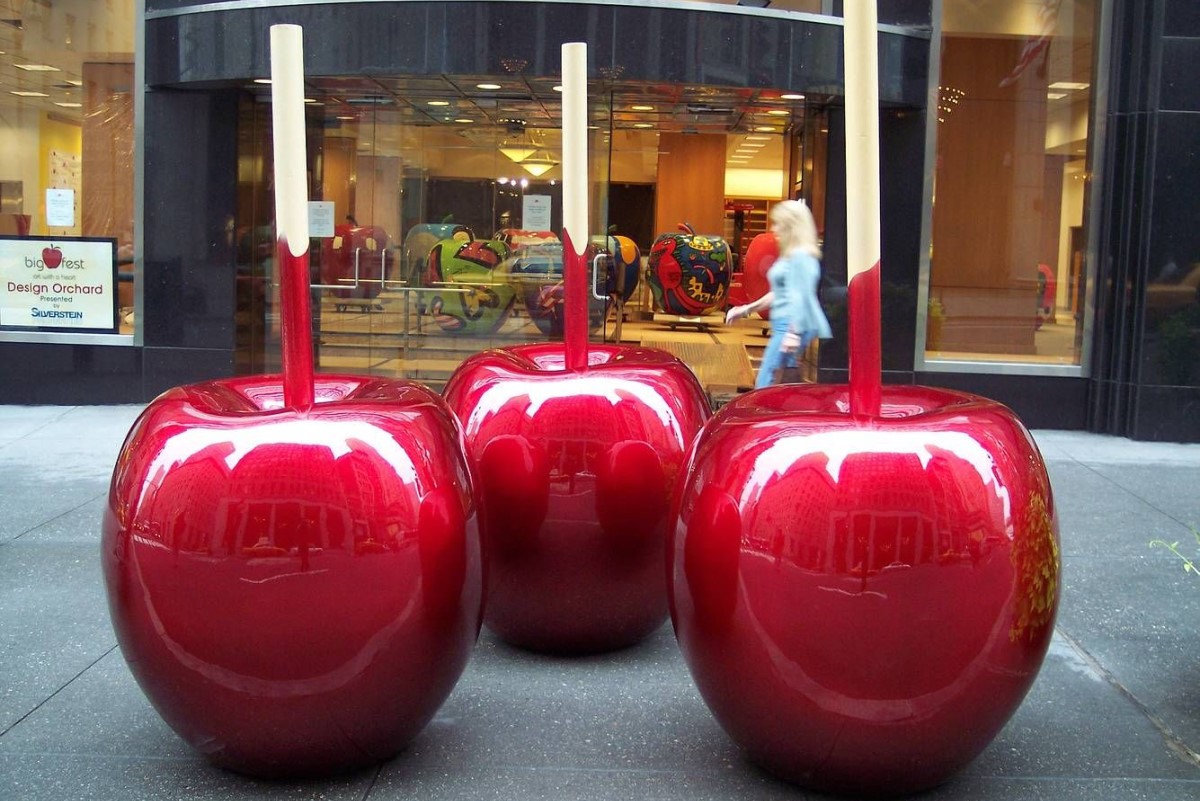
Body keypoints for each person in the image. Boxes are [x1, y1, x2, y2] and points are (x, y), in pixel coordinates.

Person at [725, 199, 832, 388]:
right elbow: (778, 294)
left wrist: (793, 333)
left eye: (779, 223)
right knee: (777, 382)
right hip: (786, 327)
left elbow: (801, 297)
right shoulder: (793, 256)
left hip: (788, 327)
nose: (774, 229)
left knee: (766, 382)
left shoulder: (802, 258)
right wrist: (745, 309)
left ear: (792, 226)